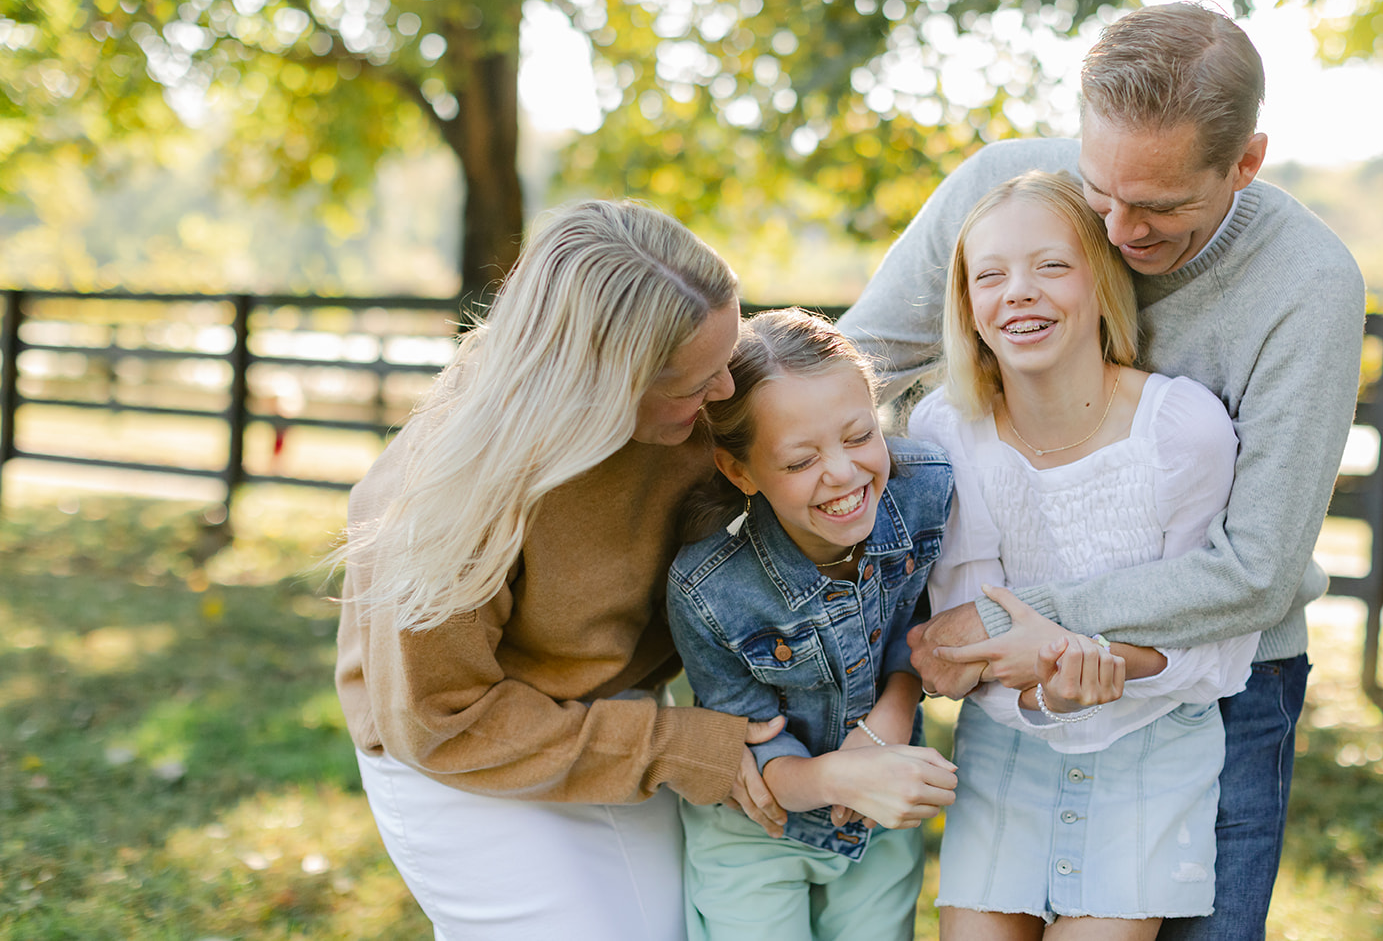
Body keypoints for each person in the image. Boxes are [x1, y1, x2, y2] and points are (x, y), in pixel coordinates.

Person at [839, 2, 1368, 940]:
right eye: (1099, 191)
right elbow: (854, 369)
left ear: (1245, 163)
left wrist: (1007, 618)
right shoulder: (1003, 189)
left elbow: (1256, 570)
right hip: (1014, 697)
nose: (1118, 231)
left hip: (1225, 671)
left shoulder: (1307, 284)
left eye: (1159, 206)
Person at [333, 200, 788, 941]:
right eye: (690, 384)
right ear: (600, 382)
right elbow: (443, 721)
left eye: (727, 358)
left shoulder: (706, 388)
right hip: (464, 756)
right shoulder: (450, 493)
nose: (726, 395)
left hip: (611, 715)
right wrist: (681, 745)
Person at [906, 170, 1258, 938]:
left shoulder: (1181, 430)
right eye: (990, 275)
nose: (1019, 292)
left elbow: (1216, 648)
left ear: (1101, 282)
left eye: (1051, 266)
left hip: (1152, 749)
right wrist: (1046, 692)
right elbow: (967, 643)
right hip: (1005, 748)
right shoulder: (948, 433)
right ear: (968, 307)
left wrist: (1102, 659)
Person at [667, 308, 959, 941]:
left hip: (876, 821)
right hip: (758, 827)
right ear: (739, 471)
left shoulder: (927, 492)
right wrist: (835, 776)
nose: (844, 473)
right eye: (801, 461)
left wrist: (885, 728)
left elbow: (926, 624)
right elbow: (748, 734)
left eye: (859, 436)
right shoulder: (709, 588)